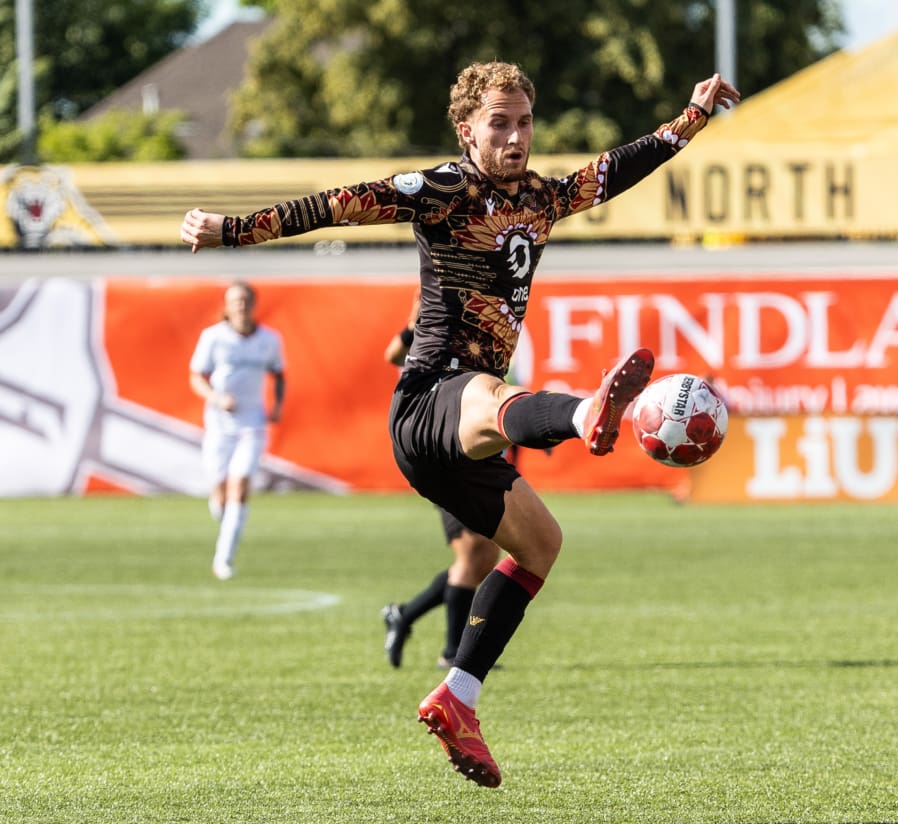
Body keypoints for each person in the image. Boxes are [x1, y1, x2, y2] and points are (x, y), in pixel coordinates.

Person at [180, 61, 739, 787]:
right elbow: (342, 202)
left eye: (525, 122)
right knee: (490, 395)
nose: (515, 136)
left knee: (540, 543)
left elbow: (614, 170)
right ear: (467, 129)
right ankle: (583, 411)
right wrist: (232, 232)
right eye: (499, 123)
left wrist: (690, 118)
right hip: (429, 400)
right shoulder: (444, 189)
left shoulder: (541, 196)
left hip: (464, 432)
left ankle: (459, 696)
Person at [381, 301, 502, 671]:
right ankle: (452, 652)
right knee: (473, 554)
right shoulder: (438, 323)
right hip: (442, 447)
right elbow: (392, 355)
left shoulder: (485, 329)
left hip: (473, 447)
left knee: (483, 557)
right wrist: (415, 324)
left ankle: (404, 614)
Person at [189, 280, 285, 581]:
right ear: (227, 305)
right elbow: (196, 377)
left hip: (251, 425)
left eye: (245, 300)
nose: (240, 305)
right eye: (235, 300)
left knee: (239, 487)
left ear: (253, 304)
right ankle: (228, 524)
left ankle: (223, 559)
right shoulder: (214, 338)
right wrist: (217, 398)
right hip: (219, 427)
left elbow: (279, 373)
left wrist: (277, 406)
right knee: (219, 496)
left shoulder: (269, 339)